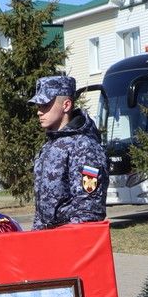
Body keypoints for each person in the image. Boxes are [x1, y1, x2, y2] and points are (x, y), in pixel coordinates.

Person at [29, 75, 107, 230]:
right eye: (38, 106)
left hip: (70, 241)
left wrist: (64, 241)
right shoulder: (49, 145)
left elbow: (88, 210)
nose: (39, 112)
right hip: (49, 240)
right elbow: (42, 210)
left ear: (66, 105)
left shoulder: (84, 146)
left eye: (45, 105)